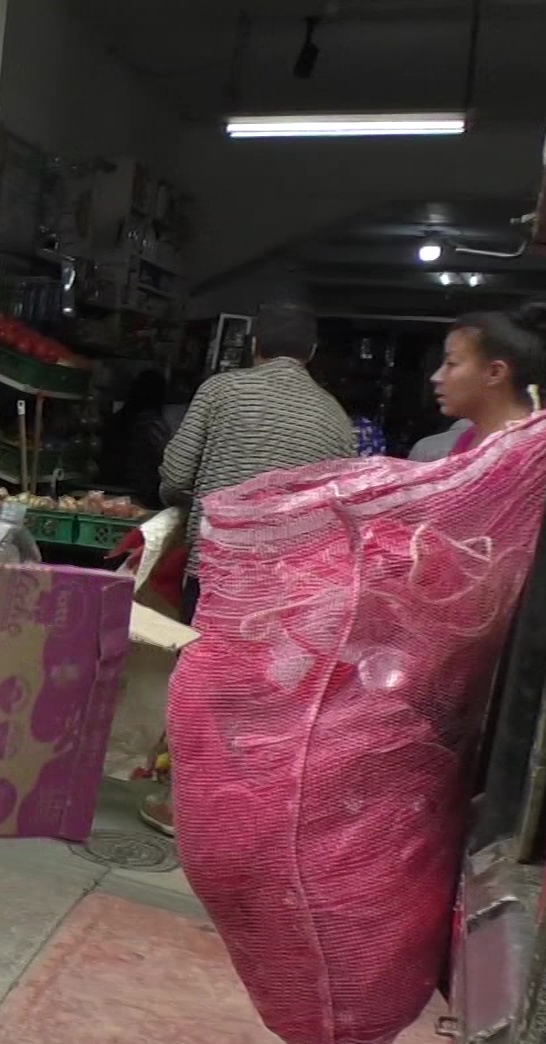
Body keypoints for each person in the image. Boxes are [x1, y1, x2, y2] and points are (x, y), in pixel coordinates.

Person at [144, 299, 354, 836]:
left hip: (217, 568)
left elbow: (174, 472)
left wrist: (197, 491)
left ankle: (180, 805)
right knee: (264, 696)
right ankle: (237, 811)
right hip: (292, 582)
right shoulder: (336, 418)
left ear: (253, 347)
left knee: (203, 682)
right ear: (311, 353)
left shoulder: (222, 390)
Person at [427, 302, 546, 458]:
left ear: (495, 372)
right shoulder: (466, 439)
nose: (436, 377)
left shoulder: (535, 451)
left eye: (451, 363)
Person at [96, 368, 173, 507]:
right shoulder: (152, 423)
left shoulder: (118, 418)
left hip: (107, 485)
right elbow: (166, 457)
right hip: (141, 492)